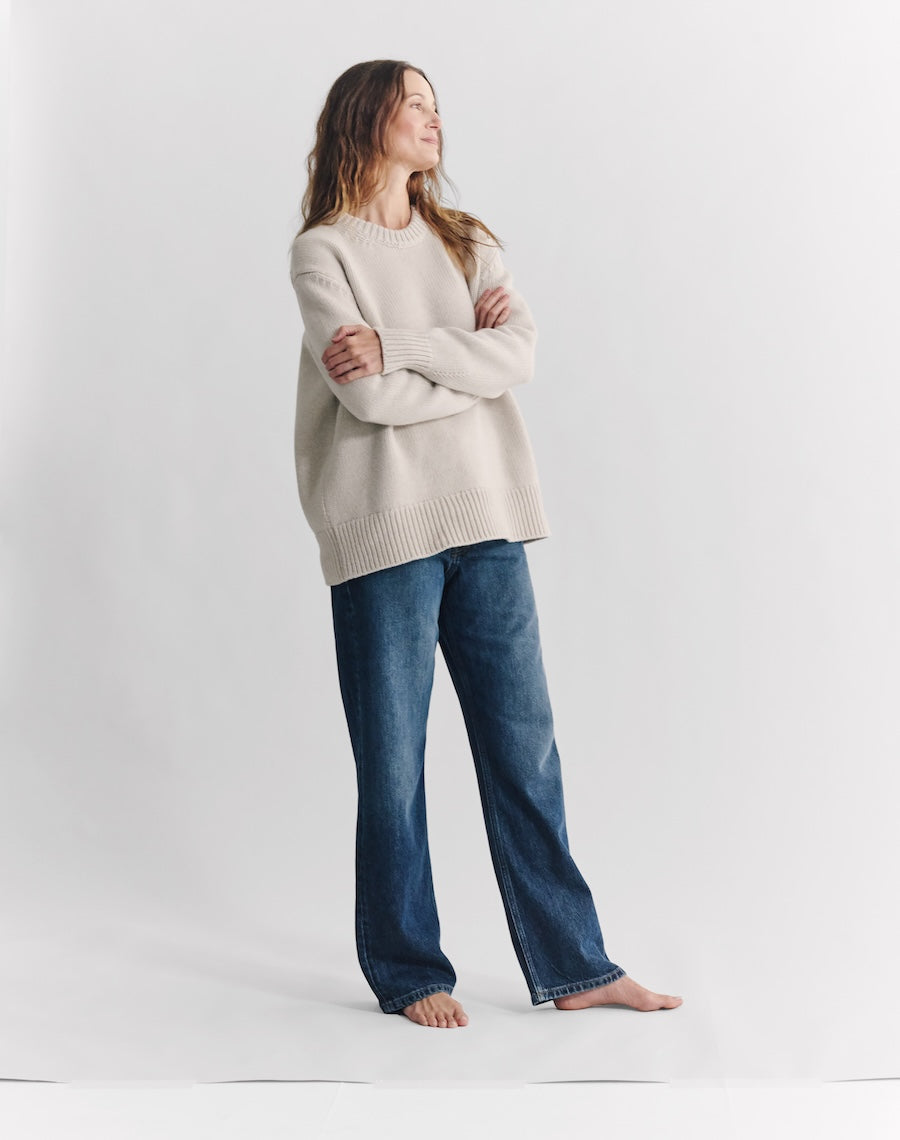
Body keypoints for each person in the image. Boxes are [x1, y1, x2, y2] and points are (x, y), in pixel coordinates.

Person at [288, 59, 682, 1029]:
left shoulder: (469, 243)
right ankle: (408, 968)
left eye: (436, 107)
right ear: (364, 119)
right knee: (393, 766)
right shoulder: (322, 253)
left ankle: (575, 963)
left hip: (490, 521)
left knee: (525, 753)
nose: (433, 120)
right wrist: (456, 354)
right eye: (414, 103)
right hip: (383, 534)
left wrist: (409, 344)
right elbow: (364, 397)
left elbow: (521, 356)